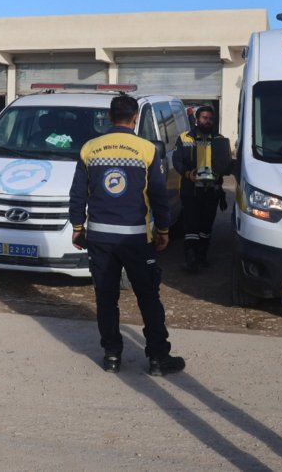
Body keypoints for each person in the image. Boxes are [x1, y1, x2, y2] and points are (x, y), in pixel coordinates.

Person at [68, 94, 185, 376]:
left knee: (106, 298)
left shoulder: (89, 149)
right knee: (148, 297)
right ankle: (158, 358)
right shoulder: (146, 149)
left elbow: (77, 194)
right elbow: (158, 195)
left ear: (110, 117)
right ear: (135, 119)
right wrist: (164, 230)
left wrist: (77, 228)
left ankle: (111, 356)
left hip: (100, 239)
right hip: (136, 239)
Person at [171, 105, 226, 272]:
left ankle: (202, 255)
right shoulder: (184, 138)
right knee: (191, 225)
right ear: (196, 119)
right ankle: (190, 257)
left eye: (210, 118)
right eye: (204, 118)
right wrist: (187, 174)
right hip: (191, 189)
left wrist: (221, 172)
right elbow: (177, 161)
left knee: (206, 226)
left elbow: (225, 162)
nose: (207, 121)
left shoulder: (219, 139)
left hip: (212, 190)